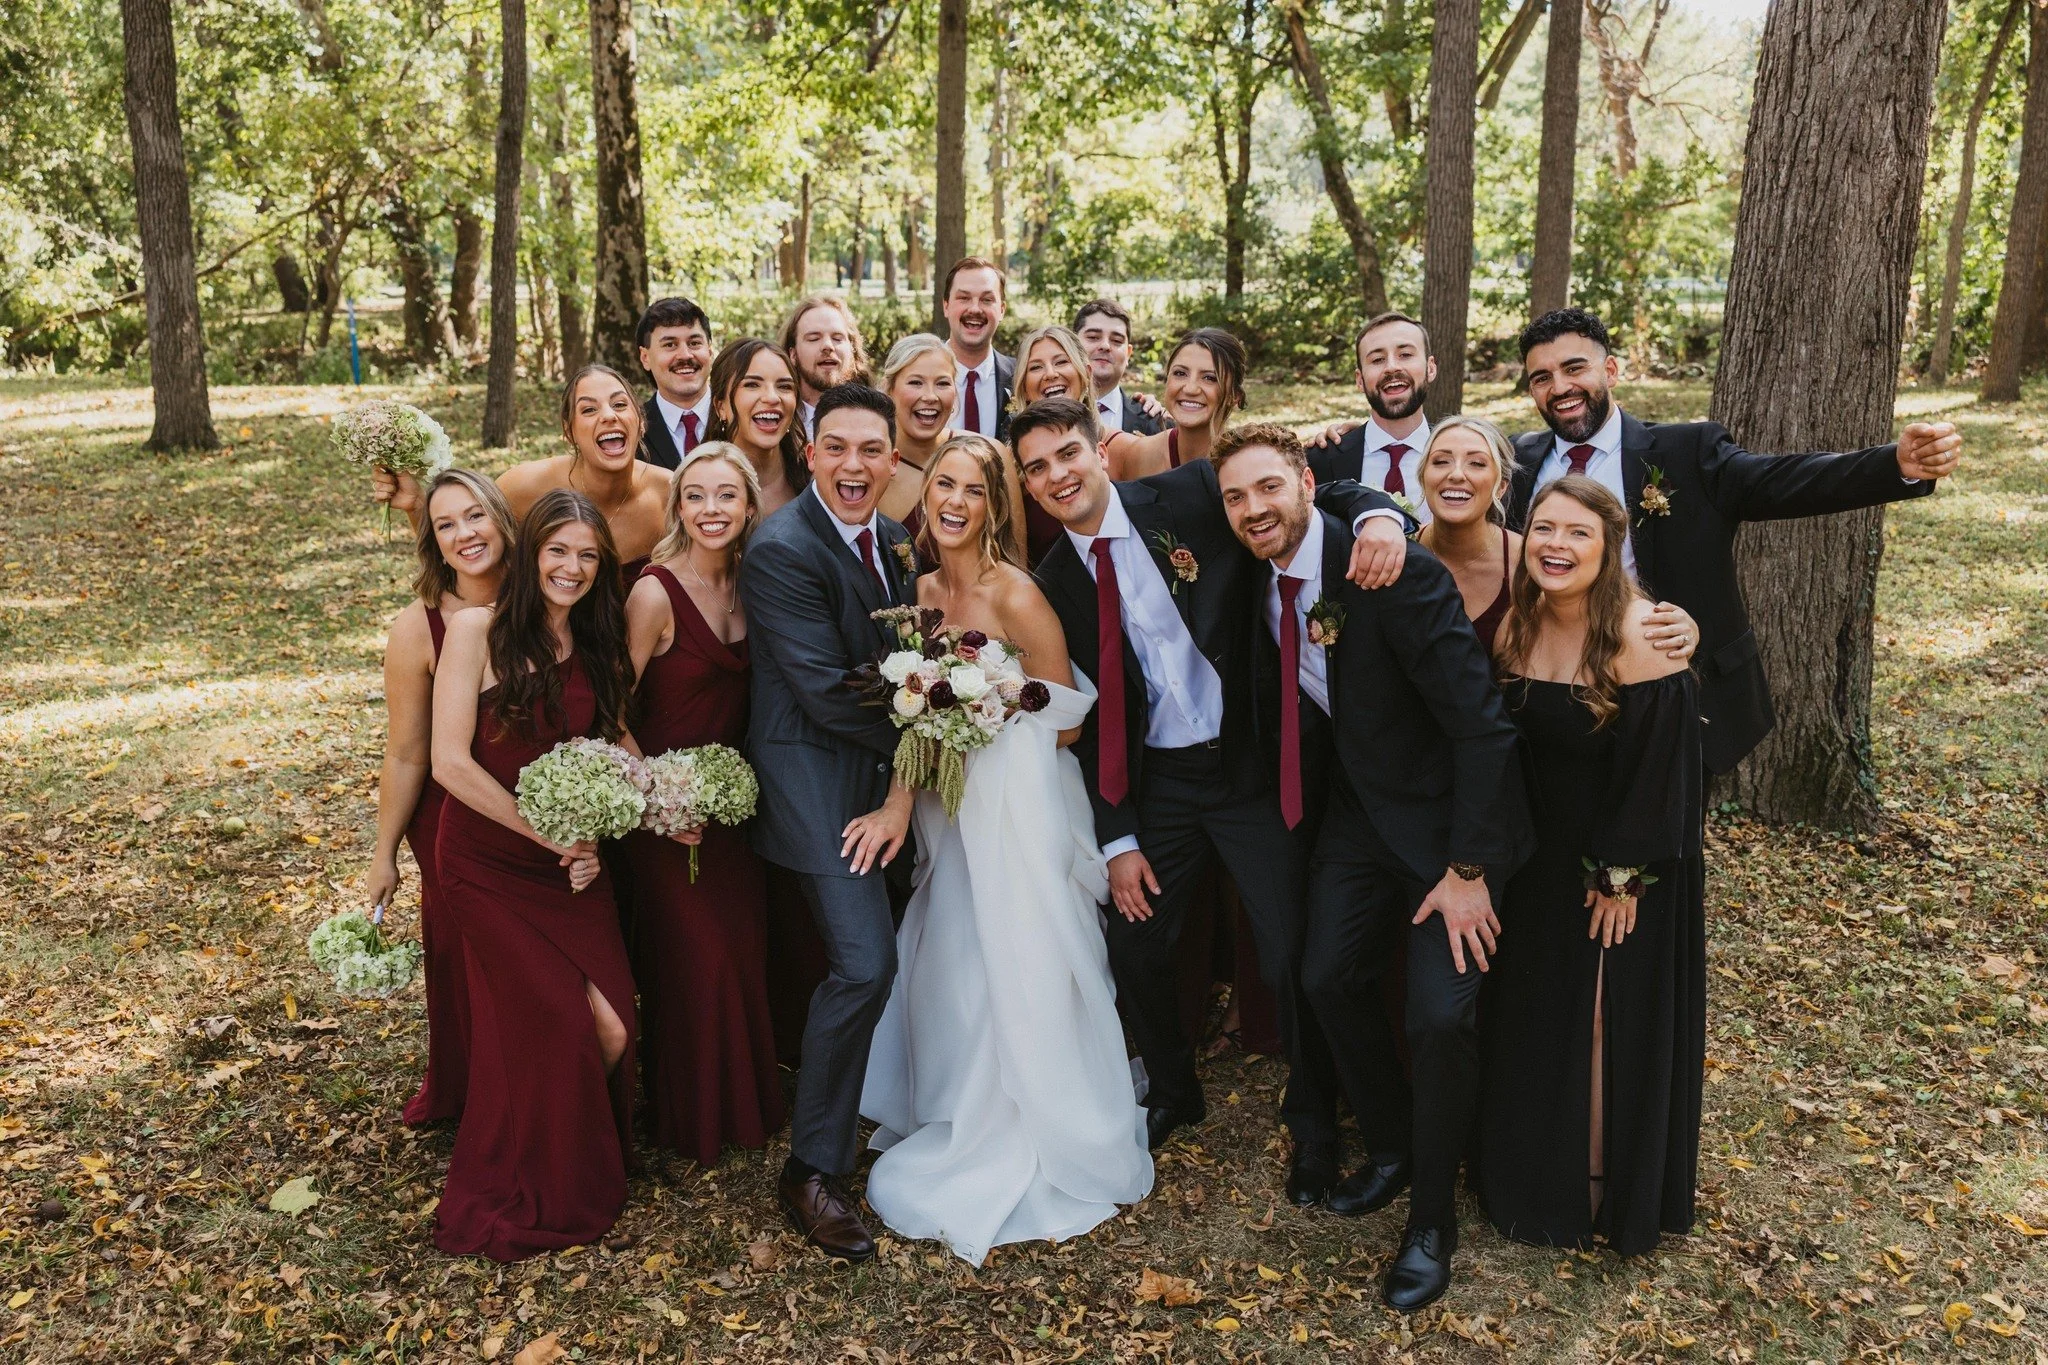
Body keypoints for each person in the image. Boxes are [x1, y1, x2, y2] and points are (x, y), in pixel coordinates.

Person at [1012, 397, 1411, 1156]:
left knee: (1290, 949)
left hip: (1250, 763)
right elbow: (1089, 715)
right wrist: (1119, 835)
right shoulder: (1052, 582)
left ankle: (1314, 1115)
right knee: (1135, 947)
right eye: (1037, 468)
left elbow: (1313, 488)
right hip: (1160, 781)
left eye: (1067, 453)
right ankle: (1173, 1089)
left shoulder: (1192, 493)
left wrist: (1381, 517)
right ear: (1028, 485)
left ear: (1099, 450)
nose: (1057, 475)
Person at [1213, 423, 1529, 1311]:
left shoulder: (1396, 573)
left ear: (1306, 484)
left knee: (1439, 1016)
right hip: (1358, 816)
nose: (1253, 509)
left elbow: (1484, 730)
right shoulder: (1258, 570)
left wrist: (1468, 869)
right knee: (1322, 974)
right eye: (1235, 497)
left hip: (1451, 826)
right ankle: (1391, 1143)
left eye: (1268, 488)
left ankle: (1432, 1221)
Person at [851, 434, 1154, 1265]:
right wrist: (941, 720)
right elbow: (916, 709)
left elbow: (1070, 716)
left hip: (1017, 807)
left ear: (993, 505)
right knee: (956, 951)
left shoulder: (1016, 592)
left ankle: (1041, 1114)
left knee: (1022, 951)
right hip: (950, 811)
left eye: (973, 489)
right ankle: (958, 1101)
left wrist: (986, 711)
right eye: (944, 485)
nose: (954, 501)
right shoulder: (920, 591)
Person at [1509, 307, 1961, 775]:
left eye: (1574, 368)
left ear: (1610, 370)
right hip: (1551, 690)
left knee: (1666, 823)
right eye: (1542, 378)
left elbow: (1782, 481)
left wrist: (1895, 466)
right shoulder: (1517, 462)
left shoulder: (1687, 452)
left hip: (1672, 688)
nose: (1559, 387)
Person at [1480, 475, 1702, 1257]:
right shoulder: (1518, 625)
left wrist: (1620, 875)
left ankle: (1601, 1180)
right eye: (1544, 528)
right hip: (1536, 858)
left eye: (1578, 533)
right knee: (1541, 1009)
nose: (1556, 545)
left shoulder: (1642, 635)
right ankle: (1535, 1167)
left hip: (1620, 863)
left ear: (1610, 548)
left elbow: (1662, 770)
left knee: (1605, 1012)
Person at [429, 489, 641, 1261]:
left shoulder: (597, 641)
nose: (572, 567)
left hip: (572, 866)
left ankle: (564, 1149)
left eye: (588, 556)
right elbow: (448, 762)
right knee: (559, 1019)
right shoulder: (475, 630)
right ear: (531, 551)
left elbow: (615, 747)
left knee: (614, 1023)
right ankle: (529, 1169)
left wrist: (645, 809)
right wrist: (548, 834)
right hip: (486, 863)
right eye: (559, 550)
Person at [737, 383, 916, 1262]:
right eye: (836, 447)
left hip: (886, 772)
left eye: (870, 450)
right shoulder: (780, 549)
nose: (853, 465)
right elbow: (827, 691)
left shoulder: (897, 536)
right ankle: (810, 1167)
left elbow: (909, 653)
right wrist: (934, 735)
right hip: (814, 778)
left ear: (893, 459)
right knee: (865, 962)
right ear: (809, 454)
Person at [623, 444, 786, 1168]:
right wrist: (659, 801)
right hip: (663, 813)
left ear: (750, 506)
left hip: (735, 810)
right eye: (696, 495)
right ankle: (685, 1115)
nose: (711, 509)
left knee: (742, 951)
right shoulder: (654, 593)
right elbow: (608, 711)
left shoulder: (758, 583)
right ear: (678, 507)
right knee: (698, 955)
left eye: (726, 495)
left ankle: (744, 1105)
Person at [369, 468, 516, 1127]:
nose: (465, 534)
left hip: (546, 804)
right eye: (446, 525)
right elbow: (406, 753)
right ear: (432, 540)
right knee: (472, 960)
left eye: (476, 516)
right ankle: (478, 1091)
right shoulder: (417, 628)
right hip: (452, 818)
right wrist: (384, 855)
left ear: (503, 519)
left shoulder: (546, 595)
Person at [373, 365, 671, 569]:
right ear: (569, 432)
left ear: (641, 422)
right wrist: (416, 506)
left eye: (619, 405)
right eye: (589, 409)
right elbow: (463, 557)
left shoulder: (669, 493)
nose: (608, 416)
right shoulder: (524, 487)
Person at [1305, 312, 1436, 521]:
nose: (1392, 367)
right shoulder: (1319, 460)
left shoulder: (1464, 456)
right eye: (1377, 360)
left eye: (1405, 355)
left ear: (1430, 368)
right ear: (1360, 380)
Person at [1009, 324, 1101, 564]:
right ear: (1023, 386)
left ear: (1085, 373)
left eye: (1061, 362)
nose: (1050, 374)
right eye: (1036, 367)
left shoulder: (1120, 445)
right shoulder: (1009, 465)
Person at [1102, 328, 1246, 480]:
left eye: (1209, 378)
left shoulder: (1249, 467)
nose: (1190, 389)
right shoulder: (1134, 456)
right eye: (1180, 373)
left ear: (1234, 396)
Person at [702, 337, 807, 515]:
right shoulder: (694, 484)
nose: (772, 397)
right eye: (752, 385)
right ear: (721, 407)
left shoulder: (816, 477)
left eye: (784, 386)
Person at [637, 297, 715, 469]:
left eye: (694, 343)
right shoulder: (633, 430)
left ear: (709, 351)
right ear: (645, 357)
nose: (685, 355)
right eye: (670, 345)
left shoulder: (738, 417)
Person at [941, 257, 1014, 442]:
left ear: (1002, 310)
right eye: (964, 298)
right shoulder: (915, 376)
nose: (975, 309)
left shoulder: (1021, 377)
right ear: (946, 306)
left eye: (986, 300)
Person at [777, 293, 869, 439]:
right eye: (814, 339)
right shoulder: (776, 421)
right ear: (793, 354)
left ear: (852, 349)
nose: (828, 346)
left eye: (837, 338)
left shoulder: (877, 417)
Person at [1073, 297, 1164, 436]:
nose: (1105, 346)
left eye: (1116, 340)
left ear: (1128, 354)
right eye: (1093, 337)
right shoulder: (1047, 411)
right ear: (1072, 345)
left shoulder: (1153, 422)